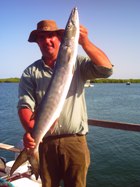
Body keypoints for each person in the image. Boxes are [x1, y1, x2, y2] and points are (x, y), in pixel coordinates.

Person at [17, 20, 113, 187]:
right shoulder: (30, 73)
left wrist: (85, 43)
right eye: (41, 37)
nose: (47, 41)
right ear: (37, 42)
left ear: (60, 38)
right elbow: (25, 106)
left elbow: (106, 70)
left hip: (75, 143)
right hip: (45, 144)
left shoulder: (78, 63)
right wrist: (31, 134)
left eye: (51, 36)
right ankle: (31, 154)